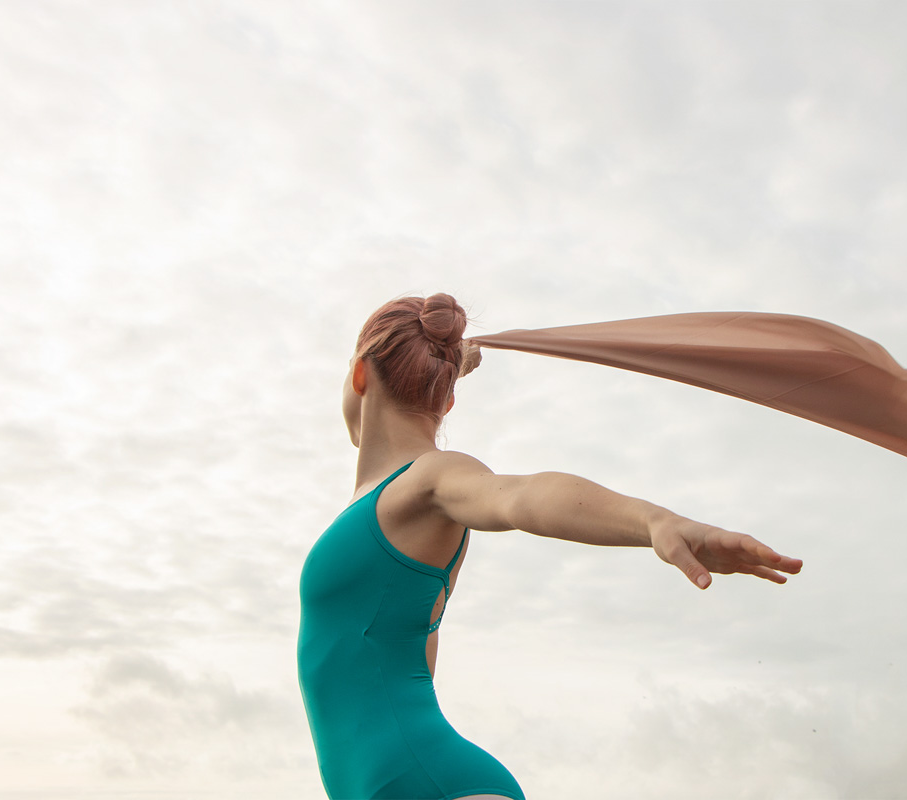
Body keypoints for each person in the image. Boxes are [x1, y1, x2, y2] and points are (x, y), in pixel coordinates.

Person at [297, 293, 804, 800]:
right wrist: (453, 362)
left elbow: (522, 496)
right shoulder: (382, 505)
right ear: (448, 400)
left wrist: (654, 521)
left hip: (436, 783)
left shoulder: (427, 480)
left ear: (360, 374)